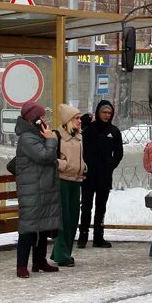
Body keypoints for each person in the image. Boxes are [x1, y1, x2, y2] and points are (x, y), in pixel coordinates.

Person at [13, 101, 61, 278]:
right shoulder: (27, 138)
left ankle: (39, 261)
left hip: (43, 187)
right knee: (28, 227)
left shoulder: (38, 135)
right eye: (42, 117)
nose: (45, 119)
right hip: (31, 189)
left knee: (42, 225)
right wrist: (51, 139)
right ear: (34, 120)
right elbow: (45, 156)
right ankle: (21, 265)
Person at [78, 99, 123, 248]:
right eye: (104, 112)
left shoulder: (114, 132)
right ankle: (83, 236)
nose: (106, 115)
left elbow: (118, 153)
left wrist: (110, 165)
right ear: (98, 112)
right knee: (86, 206)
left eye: (109, 113)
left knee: (101, 207)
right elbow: (77, 140)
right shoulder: (89, 129)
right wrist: (84, 122)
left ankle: (99, 236)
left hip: (104, 176)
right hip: (88, 175)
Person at [51, 104, 86, 267]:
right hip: (62, 181)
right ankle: (63, 255)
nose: (80, 121)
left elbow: (79, 158)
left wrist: (84, 167)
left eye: (79, 118)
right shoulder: (56, 136)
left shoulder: (79, 136)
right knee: (64, 219)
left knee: (73, 219)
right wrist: (63, 165)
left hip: (76, 180)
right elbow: (49, 157)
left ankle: (62, 252)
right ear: (68, 120)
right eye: (76, 118)